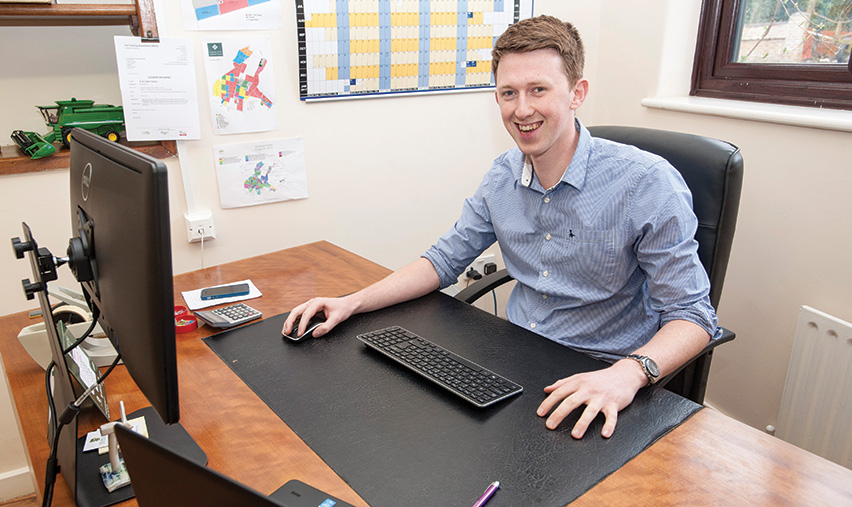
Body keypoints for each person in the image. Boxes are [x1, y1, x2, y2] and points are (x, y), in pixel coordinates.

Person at [283, 15, 718, 439]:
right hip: (513, 360)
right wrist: (352, 303)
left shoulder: (646, 183)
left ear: (576, 93)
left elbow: (694, 317)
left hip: (603, 375)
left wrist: (627, 375)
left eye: (538, 90)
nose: (522, 109)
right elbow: (442, 260)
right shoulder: (502, 176)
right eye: (508, 92)